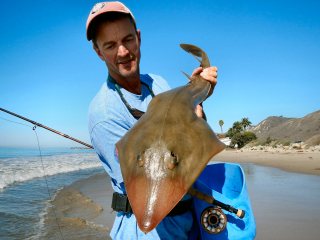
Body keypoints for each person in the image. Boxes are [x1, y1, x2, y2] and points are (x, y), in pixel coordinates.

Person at [87, 2, 218, 239]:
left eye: (127, 39)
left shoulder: (156, 83)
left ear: (138, 38)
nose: (123, 52)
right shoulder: (104, 115)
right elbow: (150, 184)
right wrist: (192, 128)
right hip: (146, 230)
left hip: (187, 221)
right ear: (99, 52)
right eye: (110, 45)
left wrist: (198, 90)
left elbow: (191, 121)